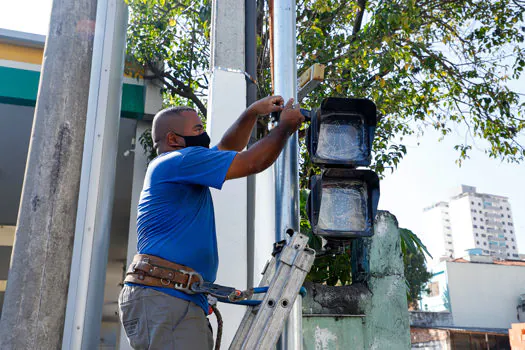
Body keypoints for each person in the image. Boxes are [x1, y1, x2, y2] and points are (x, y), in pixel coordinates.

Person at [118, 96, 305, 349]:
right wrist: (285, 128)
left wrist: (251, 113)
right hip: (167, 296)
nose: (203, 134)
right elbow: (253, 161)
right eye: (197, 129)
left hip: (170, 295)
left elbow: (227, 148)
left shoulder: (177, 166)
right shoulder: (180, 161)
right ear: (173, 139)